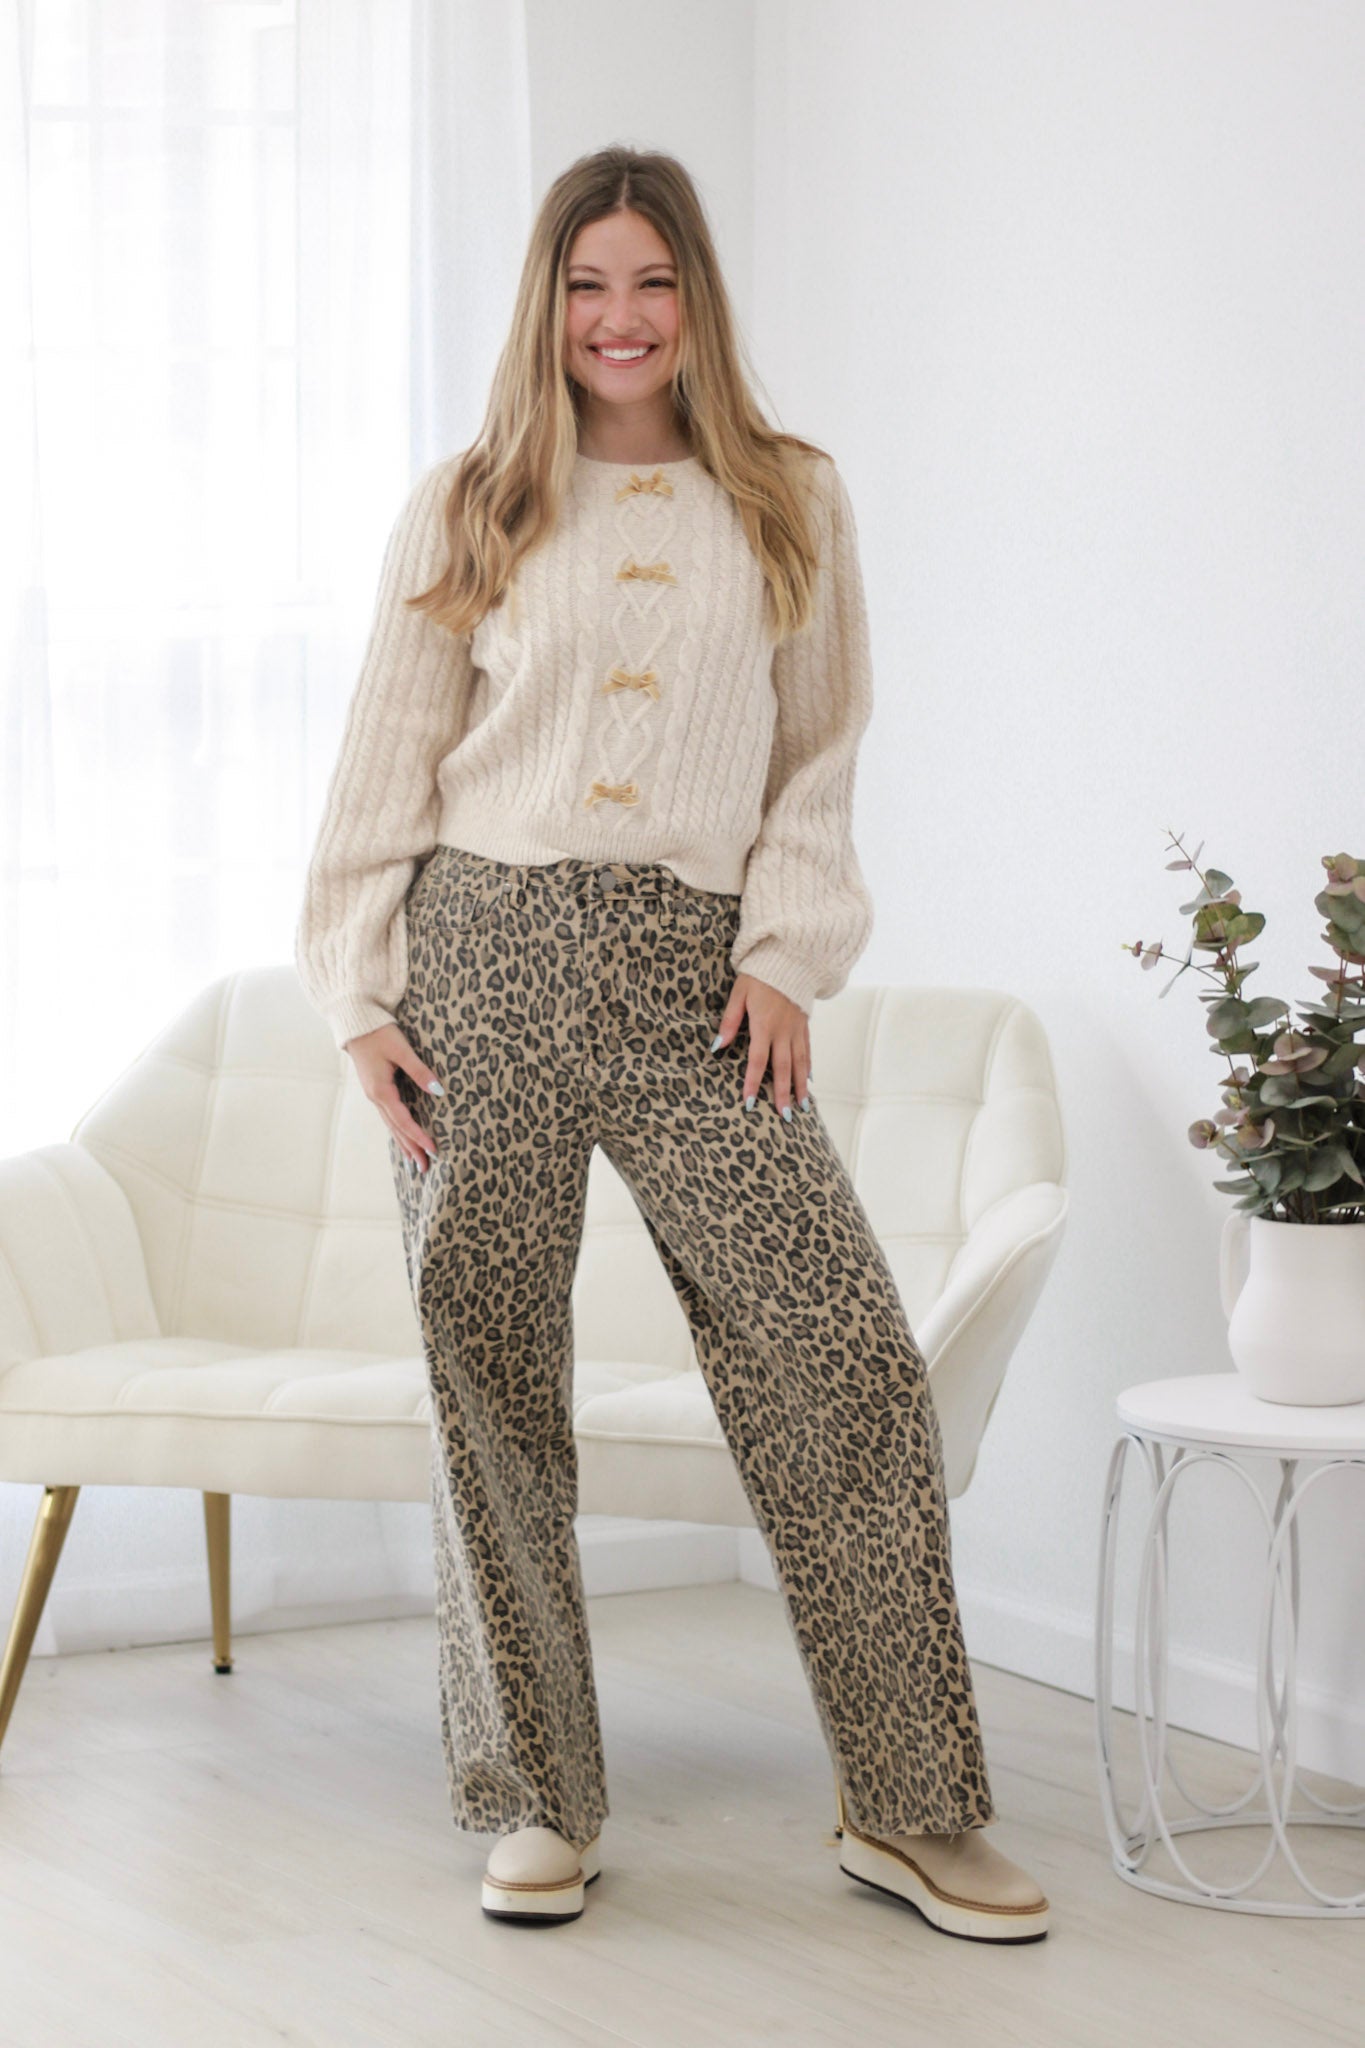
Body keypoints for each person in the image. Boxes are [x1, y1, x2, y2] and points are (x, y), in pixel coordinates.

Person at [294, 145, 1048, 1942]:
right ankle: (536, 1800)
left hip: (695, 981)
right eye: (585, 286)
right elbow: (386, 748)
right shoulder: (470, 500)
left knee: (842, 1359)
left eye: (650, 282)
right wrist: (356, 995)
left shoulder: (789, 495)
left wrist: (787, 954)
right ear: (544, 306)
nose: (618, 319)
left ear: (696, 298)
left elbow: (820, 749)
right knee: (489, 1377)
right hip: (477, 958)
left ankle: (911, 1807)